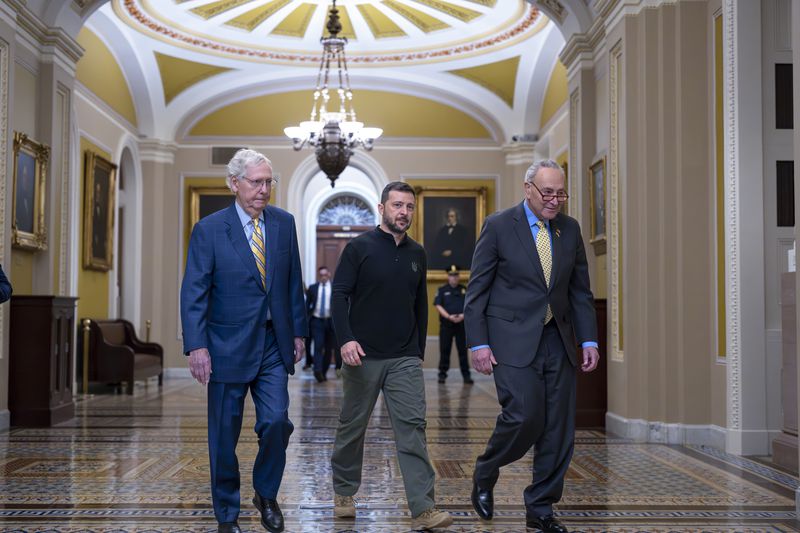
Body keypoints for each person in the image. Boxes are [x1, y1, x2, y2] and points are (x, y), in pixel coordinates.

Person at [464, 159, 600, 533]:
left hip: (558, 339)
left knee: (558, 427)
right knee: (524, 415)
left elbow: (579, 291)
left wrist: (588, 338)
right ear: (528, 189)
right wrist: (478, 343)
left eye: (560, 193)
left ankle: (540, 509)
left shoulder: (569, 230)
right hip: (510, 339)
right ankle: (486, 469)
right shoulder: (497, 226)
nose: (555, 200)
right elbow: (477, 292)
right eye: (547, 192)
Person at [180, 149, 308, 533]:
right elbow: (194, 291)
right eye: (256, 182)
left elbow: (291, 283)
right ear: (234, 184)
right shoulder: (209, 229)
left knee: (277, 422)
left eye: (269, 181)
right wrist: (197, 345)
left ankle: (265, 494)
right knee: (223, 438)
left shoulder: (284, 224)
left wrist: (298, 331)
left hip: (272, 344)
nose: (264, 189)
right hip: (225, 346)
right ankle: (227, 514)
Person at [330, 182, 453, 531]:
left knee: (413, 428)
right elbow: (339, 296)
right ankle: (343, 491)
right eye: (397, 205)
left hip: (403, 358)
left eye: (409, 207)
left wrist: (416, 351)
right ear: (381, 208)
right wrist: (346, 340)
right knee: (352, 428)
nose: (404, 212)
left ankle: (423, 508)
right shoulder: (359, 248)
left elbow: (419, 305)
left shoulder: (418, 253)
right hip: (362, 356)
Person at [433, 265, 472, 385]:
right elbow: (438, 306)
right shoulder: (442, 290)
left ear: (458, 276)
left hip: (461, 324)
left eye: (456, 275)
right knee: (445, 350)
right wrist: (449, 317)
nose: (454, 278)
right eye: (451, 275)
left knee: (463, 352)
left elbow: (469, 306)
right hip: (447, 325)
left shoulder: (465, 289)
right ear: (448, 277)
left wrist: (462, 316)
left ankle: (466, 376)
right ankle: (442, 375)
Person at [306, 265, 340, 382]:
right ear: (319, 276)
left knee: (329, 348)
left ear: (329, 275)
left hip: (331, 322)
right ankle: (317, 370)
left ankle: (323, 373)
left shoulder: (335, 288)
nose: (324, 277)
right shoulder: (313, 288)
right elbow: (307, 306)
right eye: (321, 275)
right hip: (317, 321)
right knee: (318, 345)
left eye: (325, 275)